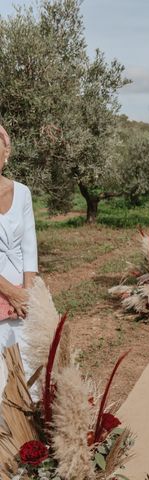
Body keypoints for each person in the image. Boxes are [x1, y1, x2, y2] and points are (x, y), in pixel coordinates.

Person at [0, 124, 38, 395]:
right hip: (4, 291)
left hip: (23, 294)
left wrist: (28, 293)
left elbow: (29, 246)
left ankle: (29, 432)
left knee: (29, 364)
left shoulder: (22, 192)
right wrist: (10, 293)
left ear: (6, 152)